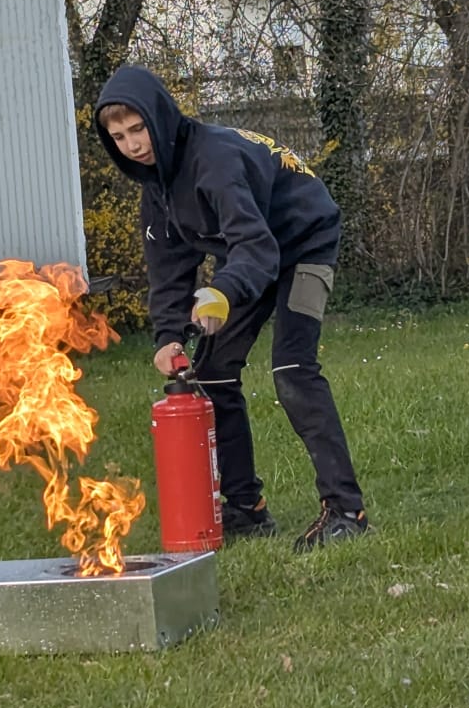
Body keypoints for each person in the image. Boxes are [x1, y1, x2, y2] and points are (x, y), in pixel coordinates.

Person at [95, 64, 367, 550]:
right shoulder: (156, 192)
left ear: (159, 116)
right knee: (213, 374)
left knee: (293, 368)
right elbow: (170, 268)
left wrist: (222, 291)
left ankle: (346, 510)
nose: (133, 144)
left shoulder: (214, 161)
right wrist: (168, 336)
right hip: (250, 257)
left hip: (304, 243)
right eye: (119, 137)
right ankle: (246, 508)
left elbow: (257, 246)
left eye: (138, 129)